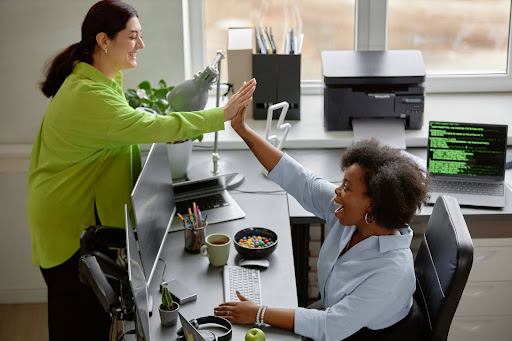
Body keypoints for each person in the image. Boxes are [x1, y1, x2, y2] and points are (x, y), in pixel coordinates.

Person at [27, 1, 255, 340]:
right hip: (66, 226)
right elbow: (142, 124)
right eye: (133, 36)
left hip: (79, 217)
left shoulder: (102, 81)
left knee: (93, 319)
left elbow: (119, 137)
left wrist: (173, 136)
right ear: (104, 40)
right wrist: (219, 115)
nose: (141, 45)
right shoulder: (87, 94)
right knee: (76, 324)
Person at [213, 106, 430, 341]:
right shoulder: (350, 215)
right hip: (334, 315)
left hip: (361, 334)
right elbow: (300, 180)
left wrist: (259, 312)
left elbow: (331, 327)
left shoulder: (392, 272)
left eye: (346, 187)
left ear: (372, 204)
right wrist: (242, 130)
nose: (337, 191)